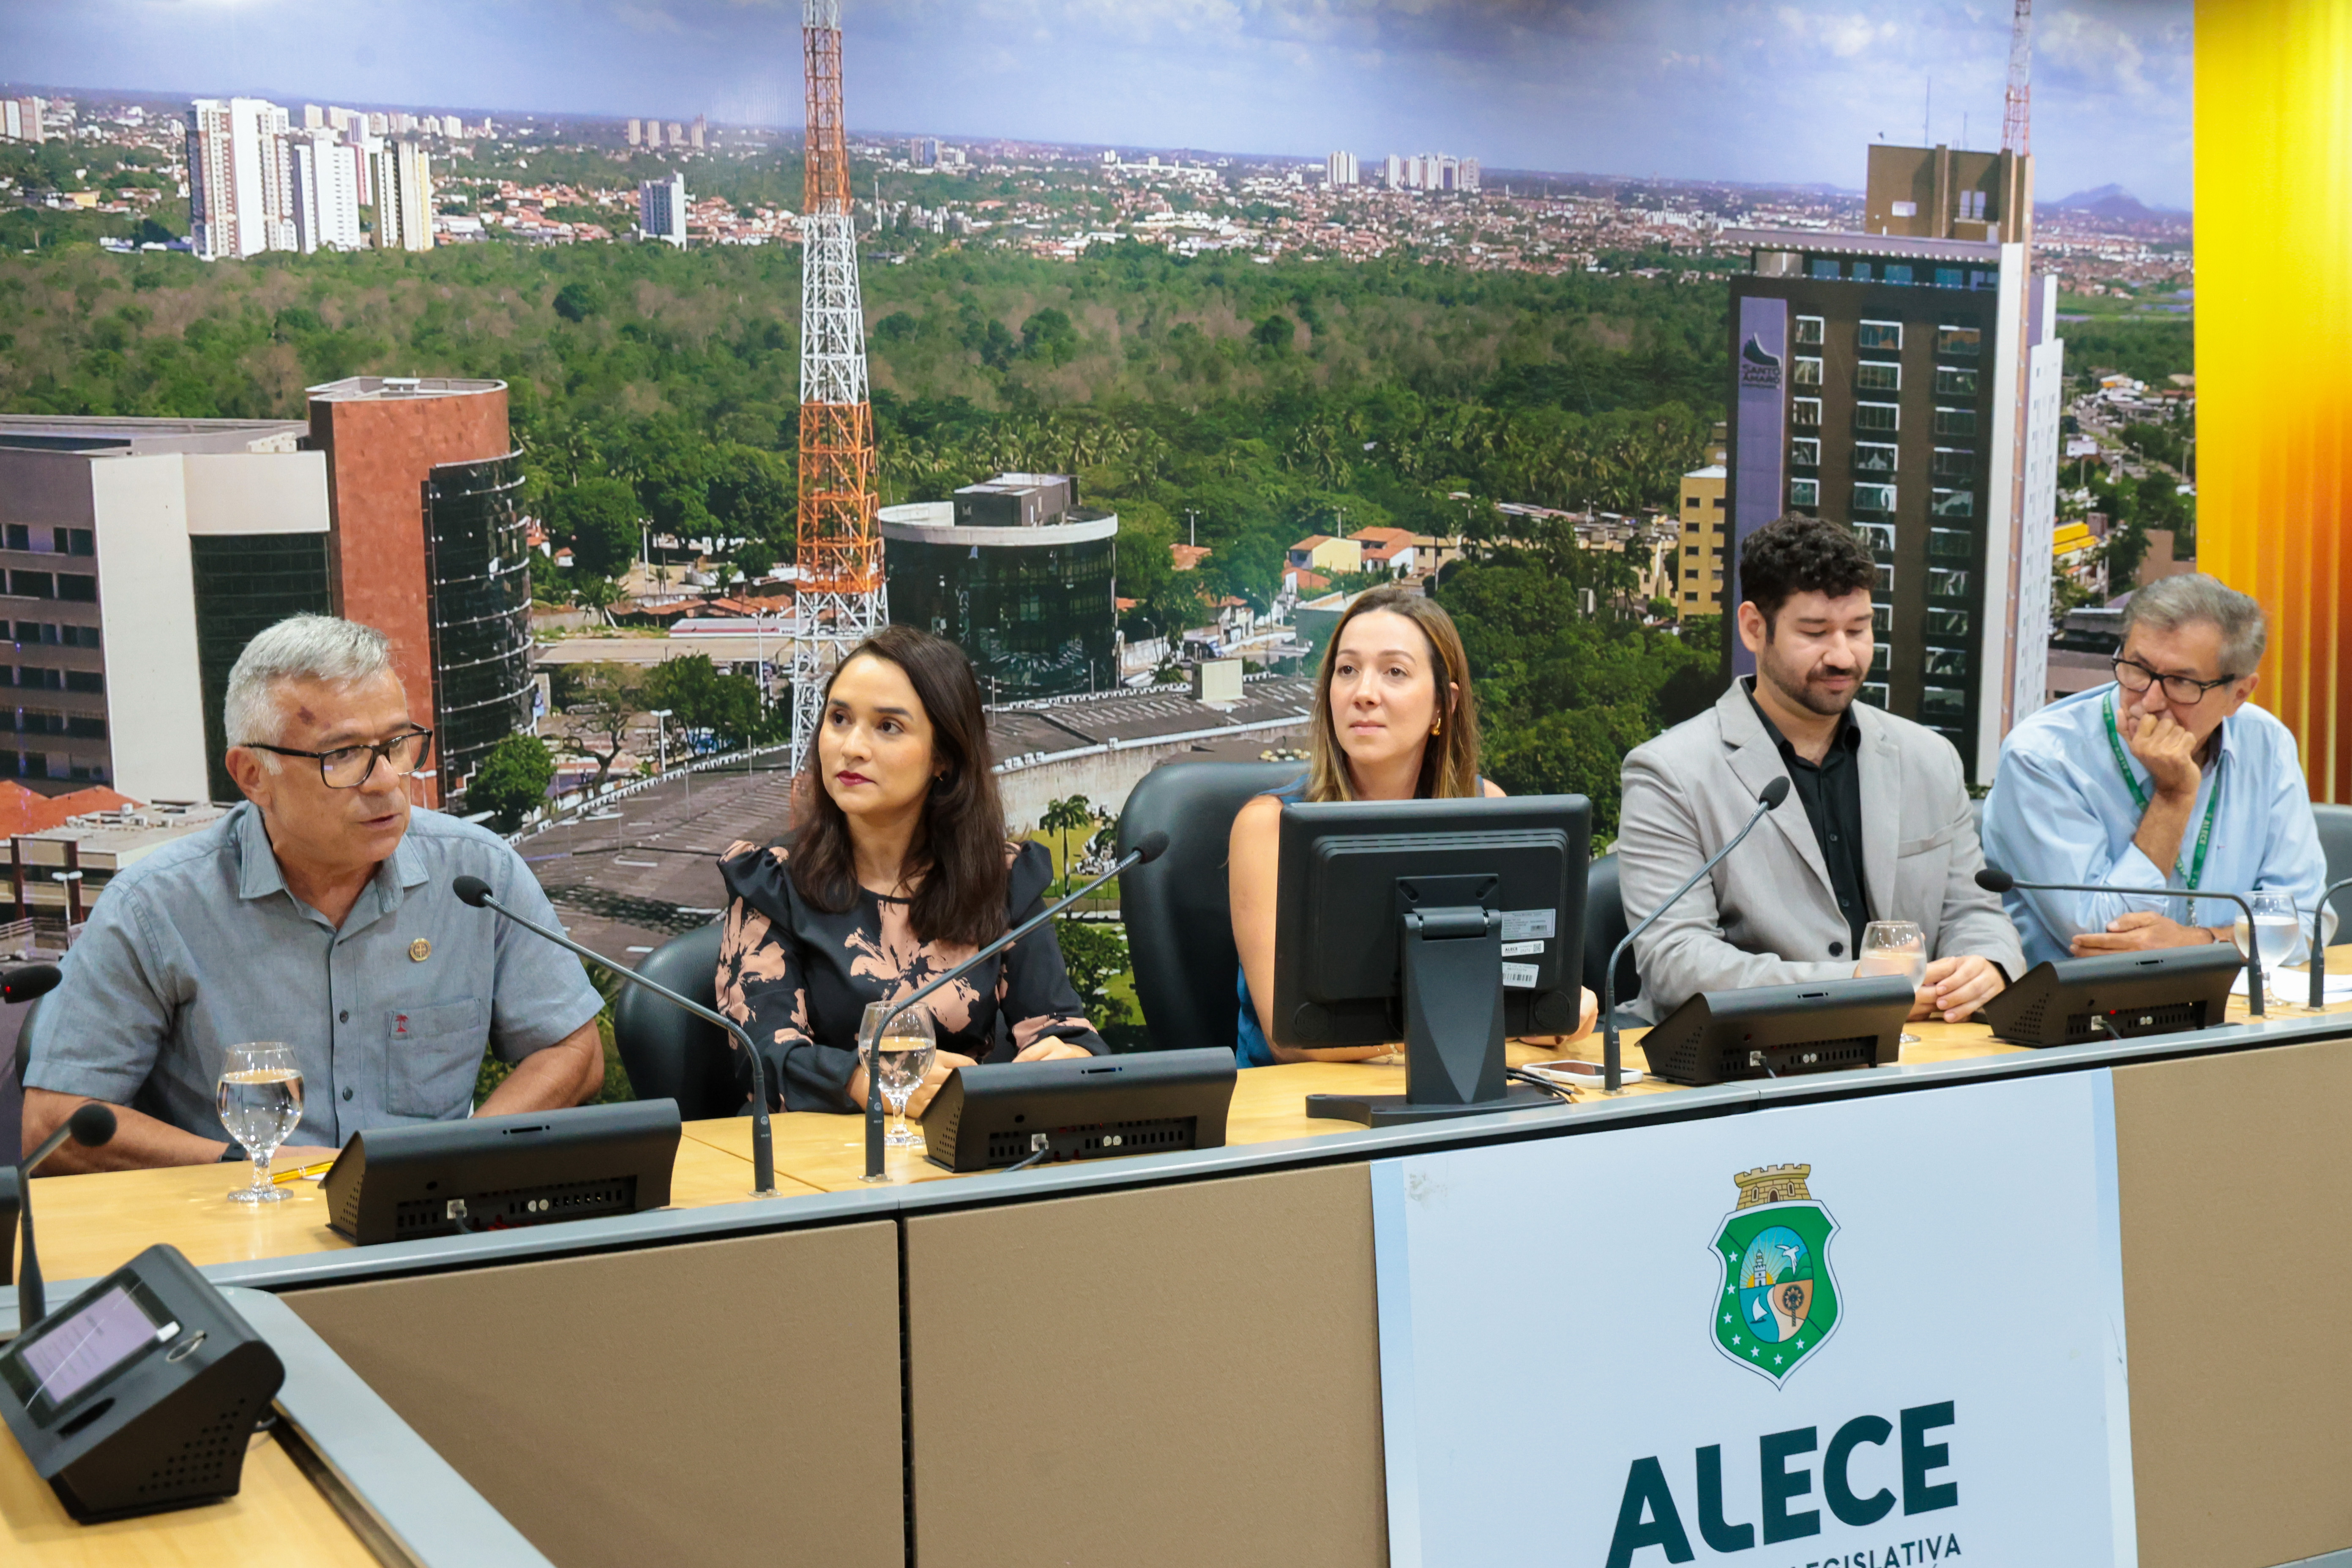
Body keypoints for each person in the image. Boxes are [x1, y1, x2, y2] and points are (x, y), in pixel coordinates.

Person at [21, 616, 606, 1172]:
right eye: (343, 755)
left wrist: (459, 1159)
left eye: (397, 744)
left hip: (429, 1215)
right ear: (253, 775)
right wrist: (250, 1169)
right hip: (239, 1220)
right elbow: (53, 1124)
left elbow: (574, 1054)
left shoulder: (477, 875)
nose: (386, 781)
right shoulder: (155, 907)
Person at [1617, 515, 2022, 1022]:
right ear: (1754, 627)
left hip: (1926, 1047)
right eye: (1815, 632)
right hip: (1753, 1053)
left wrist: (1987, 964)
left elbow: (1975, 912)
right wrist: (1856, 988)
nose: (1843, 656)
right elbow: (1676, 961)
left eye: (1859, 629)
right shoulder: (1670, 772)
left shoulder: (1929, 757)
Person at [716, 626, 1102, 1115]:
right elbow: (765, 1059)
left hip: (957, 1147)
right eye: (839, 718)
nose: (852, 747)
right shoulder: (773, 883)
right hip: (817, 1151)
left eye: (888, 726)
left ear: (943, 756)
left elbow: (1063, 1029)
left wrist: (1071, 1058)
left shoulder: (1001, 881)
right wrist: (866, 1080)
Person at [1227, 585, 1600, 1065]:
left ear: (1443, 703)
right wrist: (1477, 1024)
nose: (1364, 693)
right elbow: (1292, 1037)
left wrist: (1551, 1010)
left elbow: (1514, 981)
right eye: (1347, 670)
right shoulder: (1268, 828)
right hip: (1296, 1101)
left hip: (1451, 1083)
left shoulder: (1487, 810)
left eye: (1395, 672)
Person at [1982, 573, 2327, 968]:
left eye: (2180, 682)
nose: (2148, 702)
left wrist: (2198, 944)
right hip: (2079, 1001)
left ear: (2238, 695)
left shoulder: (2266, 742)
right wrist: (2173, 796)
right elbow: (2102, 941)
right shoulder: (2042, 757)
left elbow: (2305, 920)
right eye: (2137, 669)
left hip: (2229, 999)